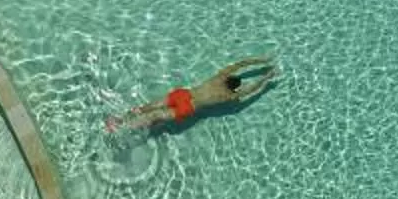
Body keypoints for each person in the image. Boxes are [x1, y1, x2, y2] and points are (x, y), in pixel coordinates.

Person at [107, 58, 278, 133]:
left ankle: (120, 121)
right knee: (155, 114)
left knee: (151, 107)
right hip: (188, 106)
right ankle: (122, 125)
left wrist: (261, 60)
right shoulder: (230, 96)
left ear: (229, 77)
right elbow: (252, 89)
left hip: (184, 95)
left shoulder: (220, 76)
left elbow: (241, 64)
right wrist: (266, 79)